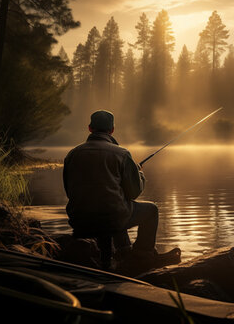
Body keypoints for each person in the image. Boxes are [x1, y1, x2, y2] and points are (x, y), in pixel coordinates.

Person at [63, 110, 179, 269]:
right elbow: (133, 193)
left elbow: (69, 191)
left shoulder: (72, 154)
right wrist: (139, 174)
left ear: (90, 128)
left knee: (115, 207)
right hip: (111, 219)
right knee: (150, 210)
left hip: (79, 221)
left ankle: (122, 253)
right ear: (112, 130)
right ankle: (142, 255)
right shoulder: (122, 154)